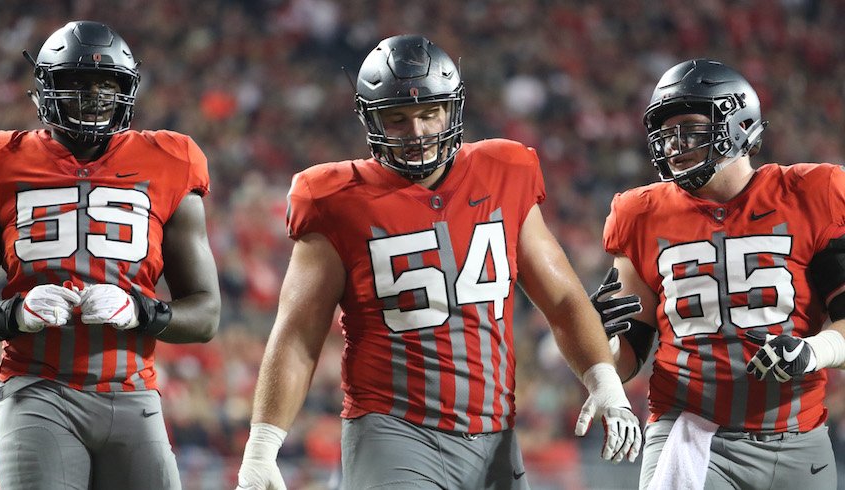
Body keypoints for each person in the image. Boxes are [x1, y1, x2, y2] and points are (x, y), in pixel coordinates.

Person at [235, 34, 641, 490]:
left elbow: (563, 298)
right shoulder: (335, 198)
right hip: (392, 430)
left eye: (430, 113)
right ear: (372, 121)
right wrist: (263, 443)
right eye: (398, 118)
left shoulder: (503, 171)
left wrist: (604, 382)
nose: (418, 132)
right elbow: (297, 334)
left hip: (495, 431)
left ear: (453, 109)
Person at [0, 20, 221, 490]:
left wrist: (141, 310)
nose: (93, 98)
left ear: (126, 91)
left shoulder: (170, 161)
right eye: (76, 84)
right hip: (37, 390)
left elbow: (206, 314)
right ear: (47, 89)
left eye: (106, 85)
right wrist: (12, 314)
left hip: (133, 393)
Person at [598, 58, 845, 489]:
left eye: (689, 129)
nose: (674, 146)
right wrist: (600, 340)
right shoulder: (640, 213)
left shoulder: (812, 194)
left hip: (798, 434)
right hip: (691, 429)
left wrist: (812, 352)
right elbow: (626, 358)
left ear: (737, 125)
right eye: (666, 134)